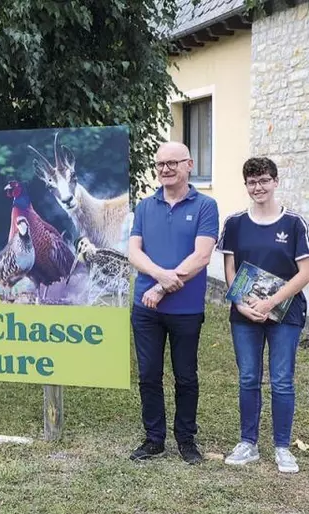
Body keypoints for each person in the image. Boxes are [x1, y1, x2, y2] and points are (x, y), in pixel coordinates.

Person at [127, 142, 219, 464]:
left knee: (186, 376)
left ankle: (186, 440)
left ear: (189, 164)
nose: (165, 169)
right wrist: (159, 277)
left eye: (172, 163)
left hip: (186, 310)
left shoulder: (206, 206)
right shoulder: (145, 206)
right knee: (148, 375)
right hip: (146, 310)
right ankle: (154, 439)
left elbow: (202, 256)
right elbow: (134, 252)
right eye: (160, 164)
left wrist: (163, 289)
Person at [216, 157, 309, 474]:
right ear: (246, 185)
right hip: (244, 314)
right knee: (248, 378)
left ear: (275, 181)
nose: (258, 187)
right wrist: (241, 303)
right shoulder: (235, 223)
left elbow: (304, 272)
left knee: (282, 381)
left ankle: (282, 447)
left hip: (286, 313)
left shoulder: (294, 224)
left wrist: (270, 303)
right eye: (252, 182)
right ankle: (248, 443)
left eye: (264, 180)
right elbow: (230, 269)